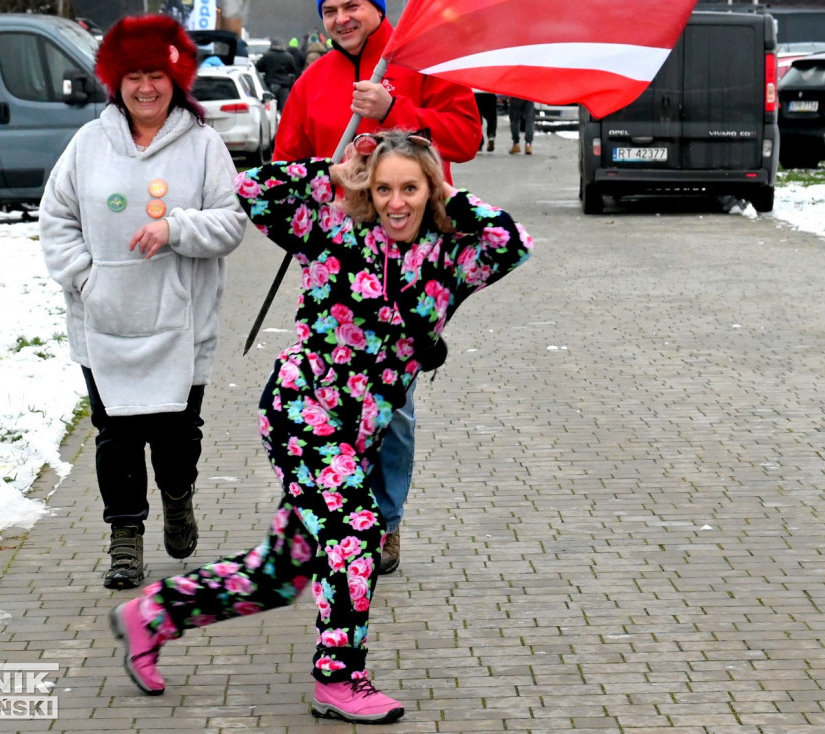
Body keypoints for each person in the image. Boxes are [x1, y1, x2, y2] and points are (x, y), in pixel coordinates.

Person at [109, 129, 534, 724]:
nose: (396, 202)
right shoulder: (333, 233)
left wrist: (452, 202)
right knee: (357, 531)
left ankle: (154, 615)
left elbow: (512, 243)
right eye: (384, 188)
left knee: (280, 574)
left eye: (410, 188)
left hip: (360, 437)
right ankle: (339, 679)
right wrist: (337, 173)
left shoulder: (448, 259)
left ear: (429, 188)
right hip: (301, 412)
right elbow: (255, 190)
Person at [39, 15, 248, 589]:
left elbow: (232, 222)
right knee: (116, 436)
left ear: (175, 77)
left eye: (156, 74)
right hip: (105, 319)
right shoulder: (87, 144)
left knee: (177, 437)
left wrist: (177, 229)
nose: (146, 88)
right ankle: (125, 537)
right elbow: (55, 218)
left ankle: (178, 496)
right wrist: (85, 278)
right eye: (133, 76)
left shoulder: (204, 145)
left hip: (180, 320)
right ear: (116, 81)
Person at [274, 0, 482, 575]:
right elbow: (286, 166)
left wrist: (397, 110)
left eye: (354, 6)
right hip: (335, 269)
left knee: (392, 406)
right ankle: (339, 512)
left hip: (410, 265)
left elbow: (466, 136)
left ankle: (385, 523)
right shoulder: (313, 81)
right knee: (330, 400)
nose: (342, 18)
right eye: (331, 8)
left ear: (378, 9)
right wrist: (322, 186)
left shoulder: (423, 62)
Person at [254, 37, 297, 111]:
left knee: (270, 108)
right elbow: (293, 70)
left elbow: (258, 67)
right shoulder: (288, 56)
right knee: (285, 109)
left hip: (270, 84)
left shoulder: (267, 56)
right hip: (284, 86)